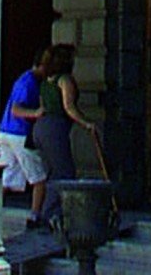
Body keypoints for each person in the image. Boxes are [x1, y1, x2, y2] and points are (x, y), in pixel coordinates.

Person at [33, 42, 95, 230]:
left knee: (52, 171)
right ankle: (52, 214)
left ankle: (51, 212)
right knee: (64, 172)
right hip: (55, 127)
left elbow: (42, 106)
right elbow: (69, 107)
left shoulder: (46, 82)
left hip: (41, 127)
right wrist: (86, 123)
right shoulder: (64, 80)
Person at [0, 50, 49, 228]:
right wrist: (36, 113)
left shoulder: (25, 80)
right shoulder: (27, 83)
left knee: (7, 176)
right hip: (19, 133)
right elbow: (16, 109)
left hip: (6, 130)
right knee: (39, 177)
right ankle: (34, 216)